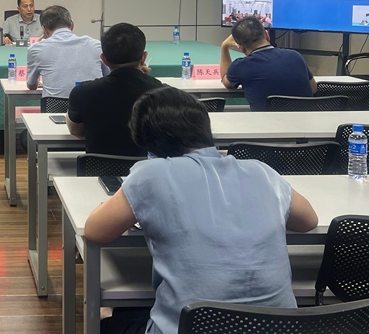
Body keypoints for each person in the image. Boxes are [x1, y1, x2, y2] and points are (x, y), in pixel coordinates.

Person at [86, 87, 318, 334]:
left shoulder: (151, 174)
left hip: (191, 327)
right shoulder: (261, 171)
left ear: (148, 142)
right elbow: (308, 221)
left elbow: (96, 231)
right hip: (281, 328)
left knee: (106, 312)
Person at [67, 23, 162, 156]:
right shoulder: (161, 92)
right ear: (143, 58)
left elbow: (75, 131)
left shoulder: (82, 92)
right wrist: (145, 78)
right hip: (146, 167)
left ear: (104, 59)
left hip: (98, 168)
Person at [220, 17, 316, 111]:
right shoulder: (295, 56)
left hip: (265, 121)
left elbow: (226, 81)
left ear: (241, 48)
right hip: (304, 119)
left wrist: (224, 46)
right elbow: (313, 89)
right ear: (267, 35)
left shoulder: (240, 66)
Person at [26, 5, 109, 98]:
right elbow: (107, 77)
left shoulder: (36, 49)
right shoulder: (96, 45)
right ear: (72, 24)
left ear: (44, 29)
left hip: (55, 107)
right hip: (94, 106)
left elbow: (32, 85)